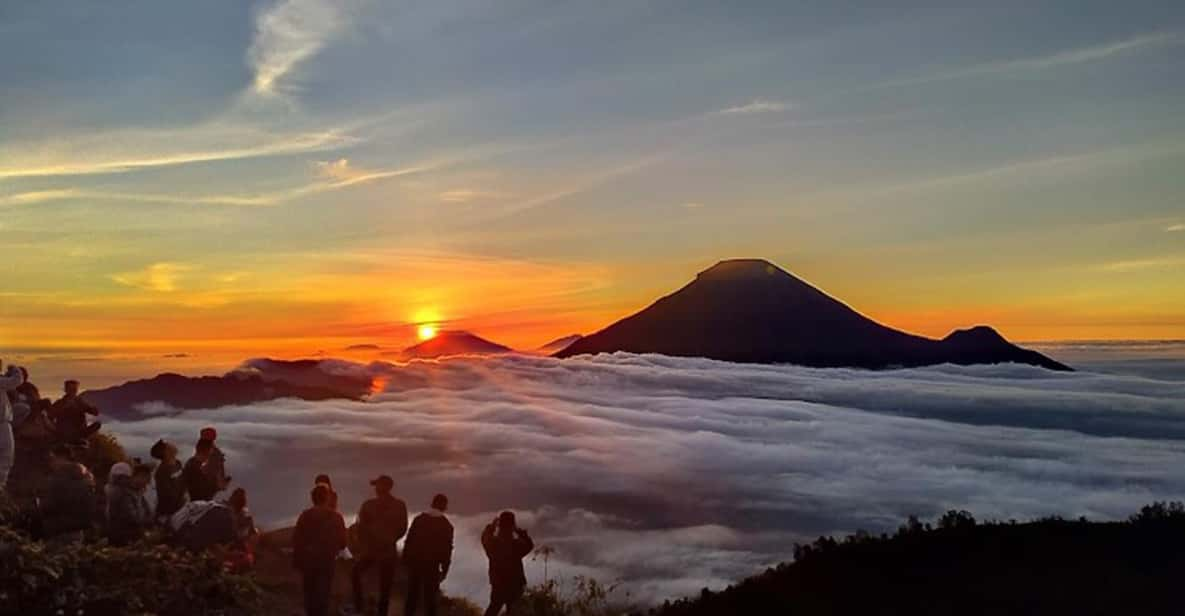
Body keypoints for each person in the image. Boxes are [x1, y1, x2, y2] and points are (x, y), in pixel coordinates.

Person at [348, 475, 408, 616]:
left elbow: (360, 528)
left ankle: (360, 607)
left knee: (355, 574)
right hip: (388, 551)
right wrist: (390, 539)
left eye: (377, 485)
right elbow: (403, 529)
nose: (375, 488)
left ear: (383, 487)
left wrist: (363, 546)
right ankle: (380, 612)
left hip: (371, 551)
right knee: (385, 587)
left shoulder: (368, 505)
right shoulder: (400, 505)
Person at [293, 483, 347, 616]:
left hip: (308, 562)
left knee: (310, 596)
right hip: (326, 561)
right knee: (323, 596)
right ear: (327, 498)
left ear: (312, 498)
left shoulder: (305, 516)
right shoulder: (337, 517)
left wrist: (298, 560)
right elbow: (342, 543)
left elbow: (297, 540)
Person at [403, 494, 454, 616]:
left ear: (432, 503)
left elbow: (409, 541)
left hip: (415, 563)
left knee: (412, 596)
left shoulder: (419, 519)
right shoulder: (446, 525)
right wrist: (445, 569)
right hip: (432, 566)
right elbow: (447, 550)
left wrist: (405, 560)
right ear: (444, 507)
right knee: (430, 599)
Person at [481, 511, 535, 616]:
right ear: (512, 526)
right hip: (515, 583)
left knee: (493, 608)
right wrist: (521, 533)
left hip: (498, 583)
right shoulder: (517, 545)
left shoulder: (493, 544)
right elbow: (529, 545)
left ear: (499, 525)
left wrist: (491, 527)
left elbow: (484, 538)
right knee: (513, 611)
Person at [41, 443, 96, 538]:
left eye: (52, 458)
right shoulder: (85, 477)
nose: (51, 462)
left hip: (59, 530)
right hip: (78, 530)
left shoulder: (59, 478)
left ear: (61, 457)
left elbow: (49, 506)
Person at [108, 462, 154, 546]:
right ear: (138, 476)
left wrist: (150, 519)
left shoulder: (138, 492)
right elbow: (132, 517)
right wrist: (147, 521)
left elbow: (147, 510)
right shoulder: (123, 492)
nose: (147, 483)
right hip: (123, 537)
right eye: (146, 479)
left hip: (134, 535)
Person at [49, 379, 101, 444]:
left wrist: (93, 409)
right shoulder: (60, 403)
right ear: (66, 390)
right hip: (65, 432)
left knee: (97, 424)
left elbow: (94, 412)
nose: (73, 391)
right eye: (71, 389)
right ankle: (76, 439)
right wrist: (64, 408)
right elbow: (50, 415)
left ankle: (79, 438)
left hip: (79, 431)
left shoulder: (80, 402)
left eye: (74, 389)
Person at [151, 439, 187, 519]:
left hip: (181, 508)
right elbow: (167, 496)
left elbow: (184, 482)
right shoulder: (161, 472)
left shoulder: (178, 464)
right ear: (166, 452)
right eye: (168, 445)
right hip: (169, 514)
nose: (172, 444)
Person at [0, 361, 23, 490]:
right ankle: (1, 487)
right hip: (2, 424)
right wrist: (15, 369)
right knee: (6, 456)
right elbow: (16, 381)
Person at [225, 487, 259, 572]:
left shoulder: (245, 516)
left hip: (239, 549)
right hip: (233, 549)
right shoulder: (228, 513)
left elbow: (252, 532)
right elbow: (252, 532)